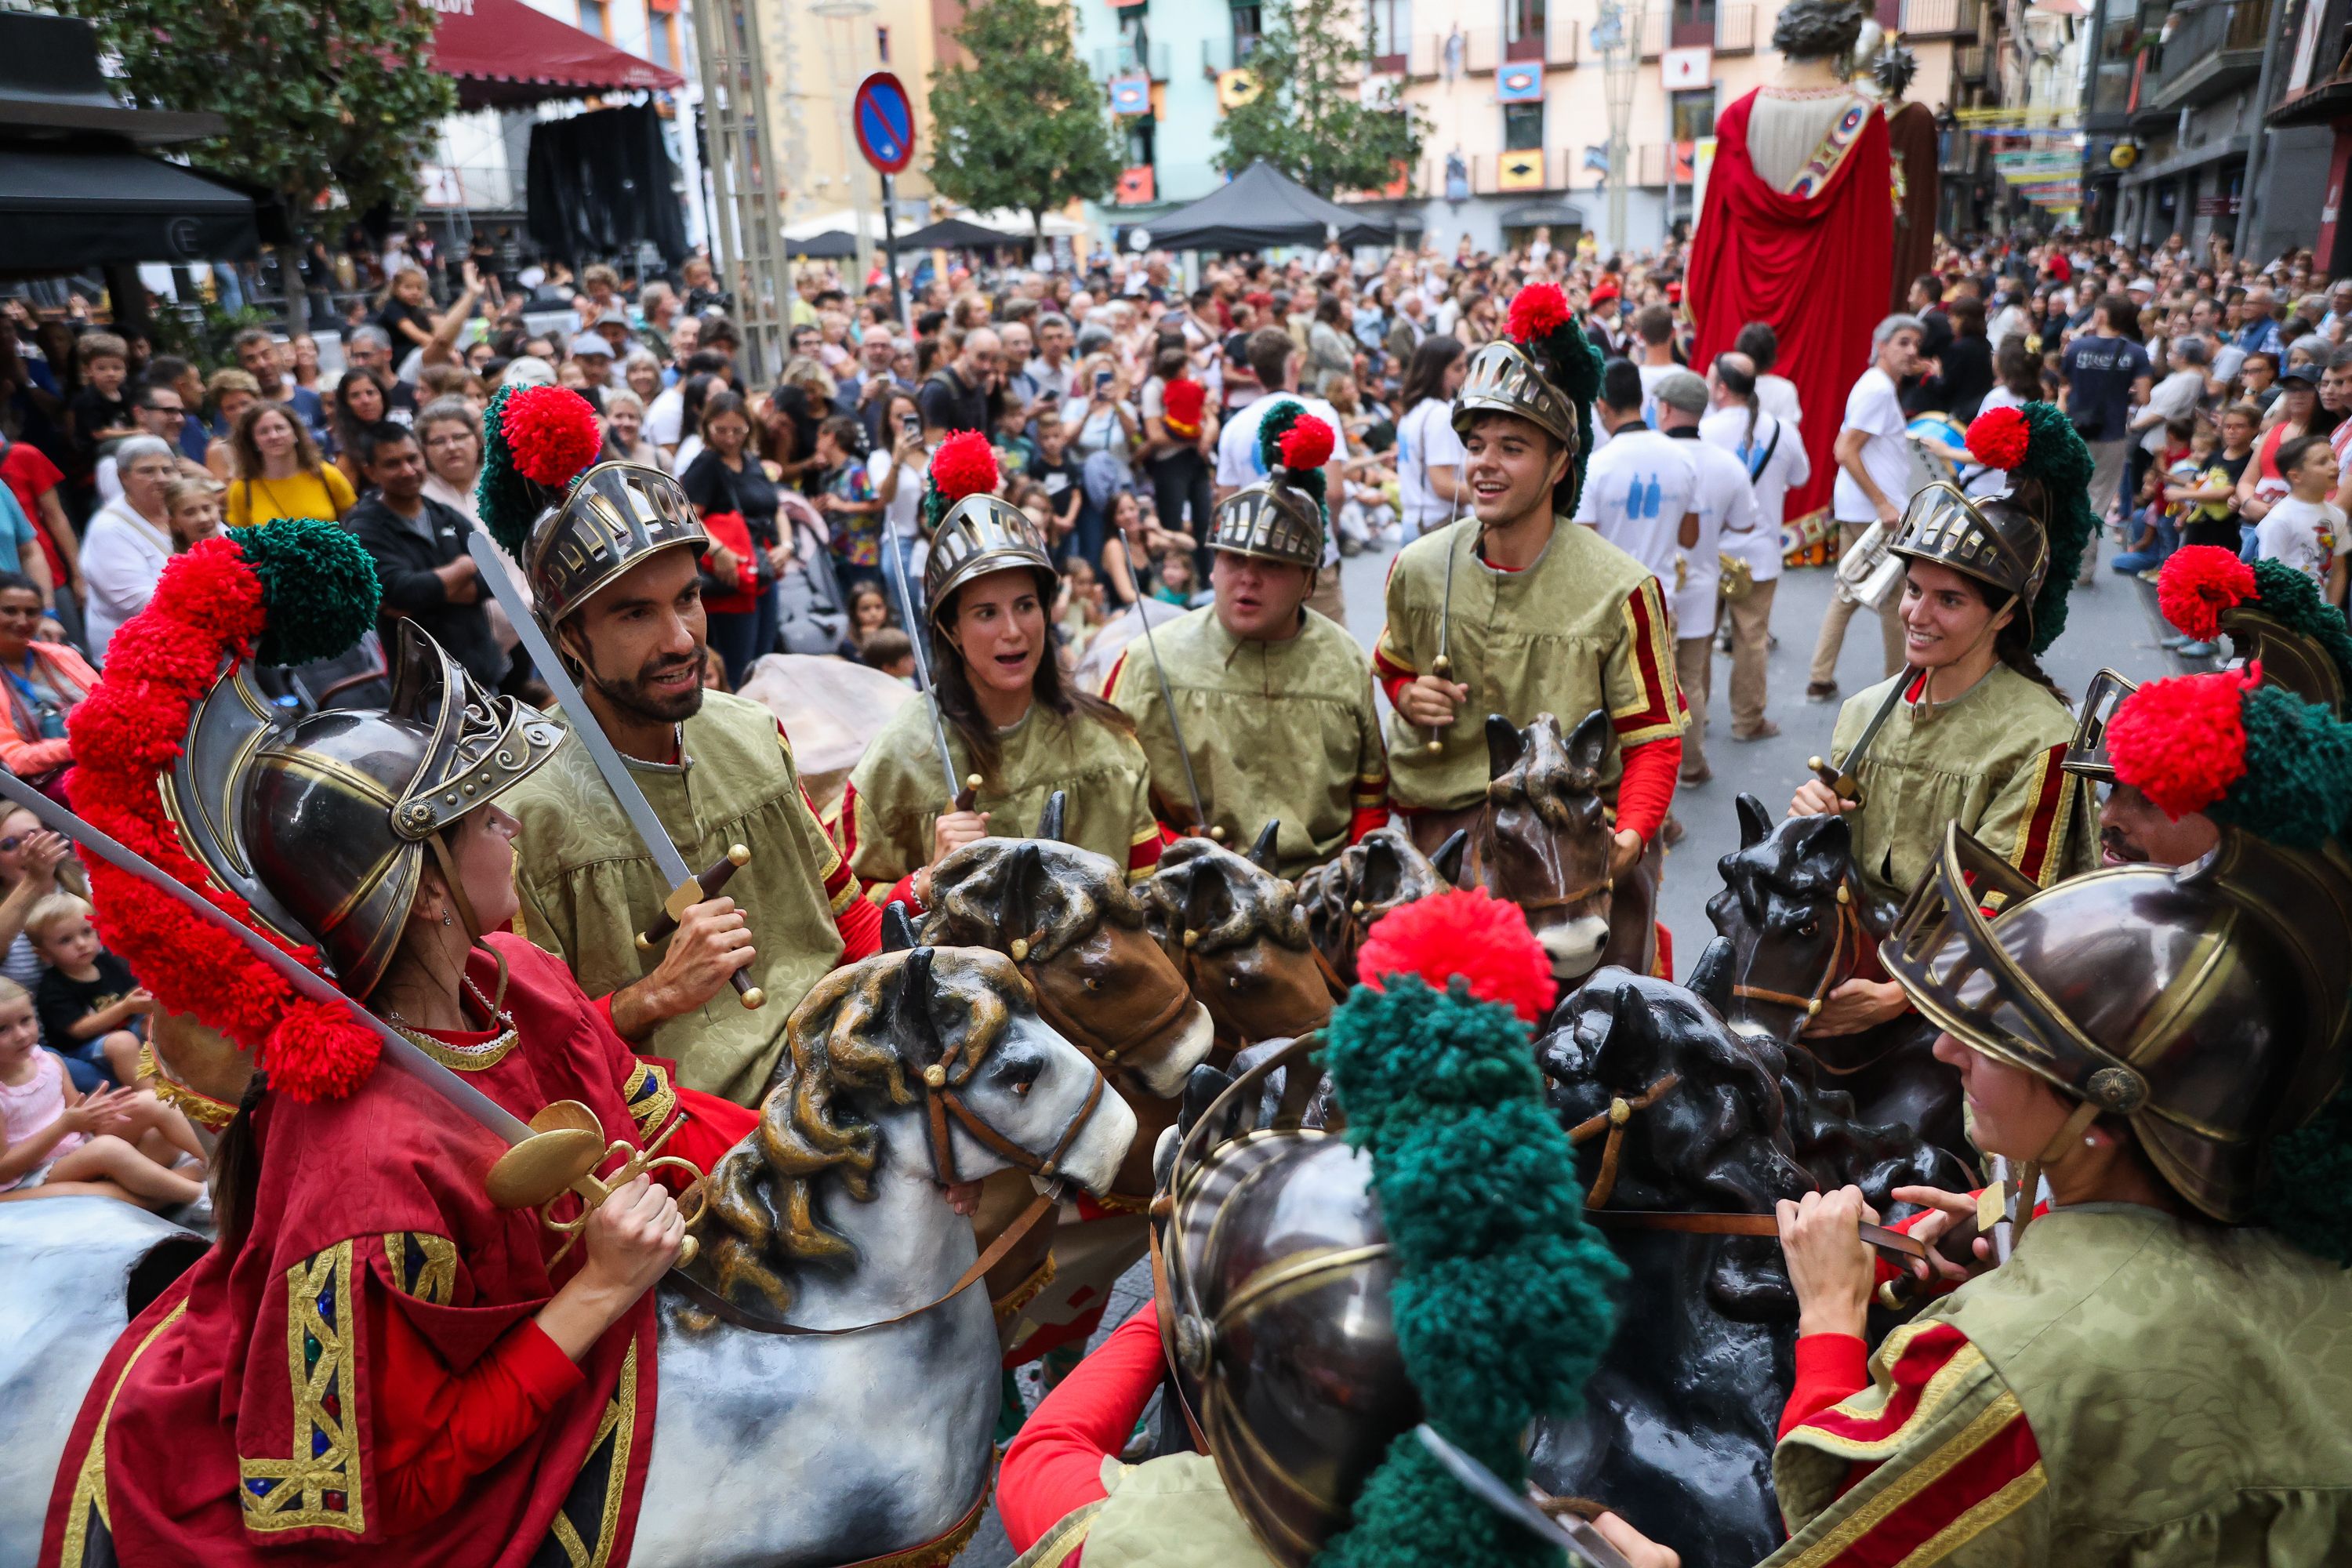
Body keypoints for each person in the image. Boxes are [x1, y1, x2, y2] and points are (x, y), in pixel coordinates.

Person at [52, 530, 753, 1552]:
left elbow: (665, 1125)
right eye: (476, 820)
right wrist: (601, 1285)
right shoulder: (366, 1179)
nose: (508, 824)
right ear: (421, 894)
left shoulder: (523, 981)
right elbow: (392, 1493)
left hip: (605, 1344)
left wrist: (830, 1154)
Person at [478, 390, 883, 1103]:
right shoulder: (517, 813)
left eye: (687, 600)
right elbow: (525, 1061)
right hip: (689, 1125)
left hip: (841, 1048)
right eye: (636, 613)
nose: (680, 639)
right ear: (569, 637)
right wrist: (654, 997)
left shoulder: (750, 733)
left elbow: (844, 912)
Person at [1787, 403, 2098, 1035]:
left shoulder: (2043, 738)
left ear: (2005, 614)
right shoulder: (1864, 711)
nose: (1917, 615)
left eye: (1950, 600)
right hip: (1853, 956)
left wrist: (1902, 996)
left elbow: (2009, 906)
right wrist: (1812, 821)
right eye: (1913, 590)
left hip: (1971, 989)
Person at [1376, 283, 1686, 866]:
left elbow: (1655, 739)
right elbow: (1393, 665)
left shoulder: (1623, 589)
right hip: (1445, 838)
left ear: (1559, 465)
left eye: (1512, 447)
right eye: (1474, 445)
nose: (1484, 464)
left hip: (1570, 844)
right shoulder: (1417, 567)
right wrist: (1409, 695)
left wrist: (1632, 837)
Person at [837, 434, 1166, 910]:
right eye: (986, 613)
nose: (1013, 631)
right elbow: (850, 911)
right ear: (951, 628)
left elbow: (1148, 897)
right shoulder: (902, 755)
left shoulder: (1109, 742)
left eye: (1026, 606)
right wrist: (925, 882)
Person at [1106, 410, 1385, 876]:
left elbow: (1371, 797)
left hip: (1320, 889)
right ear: (1212, 567)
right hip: (1193, 890)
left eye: (1272, 566)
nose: (1247, 580)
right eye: (1233, 560)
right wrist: (1178, 851)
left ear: (1308, 582)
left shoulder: (1345, 660)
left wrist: (1348, 881)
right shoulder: (1149, 660)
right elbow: (1118, 797)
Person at [0, 976, 200, 1207]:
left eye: (25, 1020)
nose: (22, 1035)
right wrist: (65, 1125)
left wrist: (98, 1112)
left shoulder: (49, 1062)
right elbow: (4, 1171)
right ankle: (198, 1194)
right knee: (108, 1154)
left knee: (152, 1104)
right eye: (2, 1029)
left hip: (76, 1152)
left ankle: (219, 1167)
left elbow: (81, 1119)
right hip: (31, 1177)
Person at [1806, 313, 1924, 702]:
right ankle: (1898, 685)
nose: (1912, 351)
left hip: (1865, 508)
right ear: (1881, 347)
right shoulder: (1876, 389)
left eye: (1915, 344)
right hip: (1875, 512)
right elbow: (1845, 450)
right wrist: (1883, 503)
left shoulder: (1876, 386)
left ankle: (1821, 676)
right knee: (1893, 600)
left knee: (1848, 591)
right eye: (1903, 343)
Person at [343, 422, 505, 690]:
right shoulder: (363, 527)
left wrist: (426, 595)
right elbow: (401, 591)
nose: (407, 470)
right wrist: (464, 567)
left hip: (481, 675)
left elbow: (495, 579)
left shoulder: (445, 515)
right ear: (371, 471)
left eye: (412, 458)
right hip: (425, 690)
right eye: (392, 464)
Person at [1653, 369, 1755, 786]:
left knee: (1649, 686)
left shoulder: (1648, 456)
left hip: (1649, 587)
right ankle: (1691, 766)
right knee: (1690, 678)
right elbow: (1745, 524)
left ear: (1664, 410)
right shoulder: (1727, 464)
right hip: (1699, 581)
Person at [1703, 351, 1808, 742]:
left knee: (1697, 642)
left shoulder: (1704, 430)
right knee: (1751, 642)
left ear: (1722, 388)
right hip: (1759, 555)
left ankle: (1695, 717)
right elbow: (1801, 476)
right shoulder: (1783, 430)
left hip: (1709, 554)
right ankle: (1748, 721)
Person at [1214, 328, 1349, 622]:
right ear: (1294, 365)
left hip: (1256, 561)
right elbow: (1335, 493)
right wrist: (1329, 536)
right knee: (1325, 657)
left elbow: (1227, 506)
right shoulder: (1319, 412)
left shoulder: (1234, 426)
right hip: (1309, 559)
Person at [679, 390, 782, 688]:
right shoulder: (707, 464)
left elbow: (776, 508)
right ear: (708, 427)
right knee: (738, 661)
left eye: (738, 430)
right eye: (721, 430)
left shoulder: (751, 462)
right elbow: (689, 515)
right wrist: (719, 550)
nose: (730, 437)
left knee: (763, 657)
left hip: (761, 567)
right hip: (732, 573)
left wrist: (786, 545)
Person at [1577, 359, 1701, 590]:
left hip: (1612, 603)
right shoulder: (1683, 459)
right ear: (1642, 400)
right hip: (1662, 600)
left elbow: (1584, 550)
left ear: (1602, 406)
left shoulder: (1595, 467)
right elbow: (1689, 538)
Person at [27, 890, 147, 1087]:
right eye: (66, 940)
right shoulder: (52, 987)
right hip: (84, 1053)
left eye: (86, 932)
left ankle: (180, 1077)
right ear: (44, 954)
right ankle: (156, 1100)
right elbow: (79, 1030)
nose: (82, 944)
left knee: (154, 1019)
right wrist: (126, 1007)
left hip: (124, 1033)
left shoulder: (106, 962)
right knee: (122, 1043)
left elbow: (132, 993)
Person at [2060, 292, 2154, 538]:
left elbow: (2066, 385)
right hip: (2112, 433)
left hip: (2075, 429)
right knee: (2098, 499)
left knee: (2067, 492)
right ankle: (2083, 567)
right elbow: (2144, 398)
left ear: (2101, 315)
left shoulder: (2077, 347)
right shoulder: (2136, 352)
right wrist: (2122, 392)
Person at [82, 435, 179, 659]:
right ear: (123, 476)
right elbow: (137, 601)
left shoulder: (185, 509)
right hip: (134, 654)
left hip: (189, 640)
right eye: (147, 471)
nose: (161, 478)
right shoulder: (108, 528)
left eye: (167, 470)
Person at [0, 567, 93, 783]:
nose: (22, 621)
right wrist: (75, 747)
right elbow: (11, 758)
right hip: (40, 782)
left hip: (98, 757)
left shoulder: (65, 655)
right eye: (10, 611)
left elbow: (108, 707)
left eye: (31, 612)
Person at [223, 400, 354, 527]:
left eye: (280, 428)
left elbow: (353, 523)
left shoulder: (326, 474)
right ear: (253, 441)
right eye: (263, 432)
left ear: (295, 433)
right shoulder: (242, 488)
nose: (273, 436)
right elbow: (239, 542)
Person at [1394, 335, 1469, 539]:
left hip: (1414, 522)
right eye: (1457, 368)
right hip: (1437, 525)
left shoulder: (1413, 411)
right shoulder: (1440, 414)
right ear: (1436, 371)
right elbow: (1444, 485)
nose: (1465, 374)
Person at [2253, 432, 2343, 590]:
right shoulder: (2279, 519)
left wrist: (2331, 611)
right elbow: (2269, 576)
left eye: (2333, 458)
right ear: (2296, 477)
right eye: (2322, 462)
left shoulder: (2338, 516)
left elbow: (2338, 570)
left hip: (2321, 611)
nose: (2334, 466)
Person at [919, 325, 1000, 441]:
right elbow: (933, 448)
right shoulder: (938, 389)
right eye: (981, 357)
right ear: (964, 351)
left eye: (994, 360)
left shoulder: (979, 385)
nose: (987, 366)